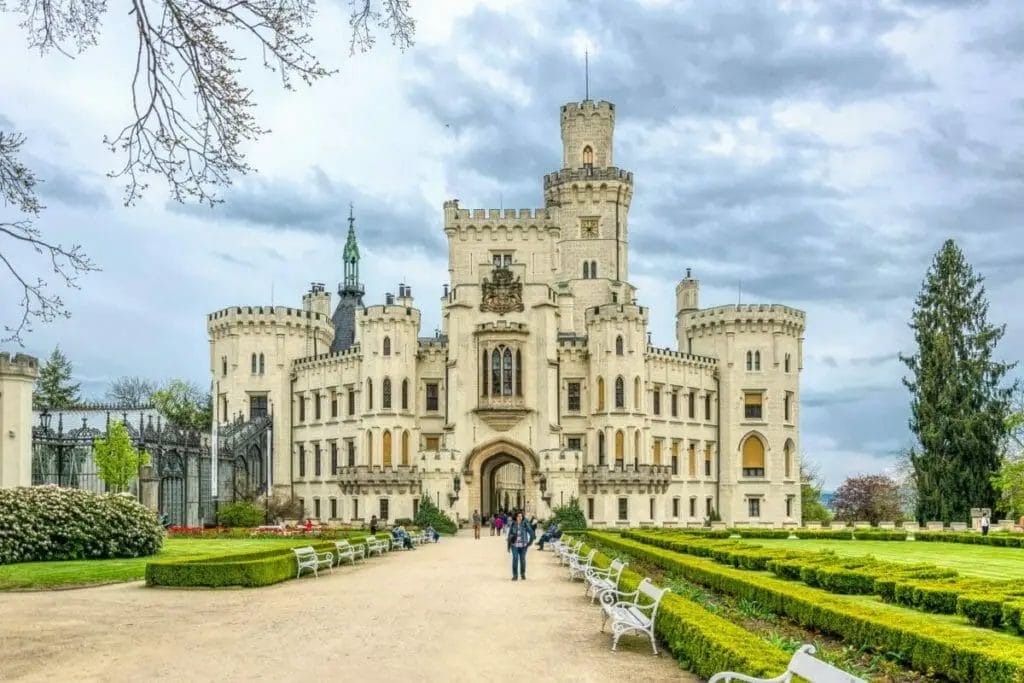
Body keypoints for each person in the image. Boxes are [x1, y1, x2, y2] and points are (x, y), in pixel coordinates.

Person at [506, 511, 536, 581]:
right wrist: (508, 546)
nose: (520, 517)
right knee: (515, 559)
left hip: (523, 545)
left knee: (522, 560)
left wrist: (530, 542)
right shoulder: (513, 524)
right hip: (514, 544)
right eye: (518, 516)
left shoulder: (525, 524)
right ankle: (515, 575)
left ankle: (522, 574)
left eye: (521, 516)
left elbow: (531, 532)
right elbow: (509, 535)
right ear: (516, 517)